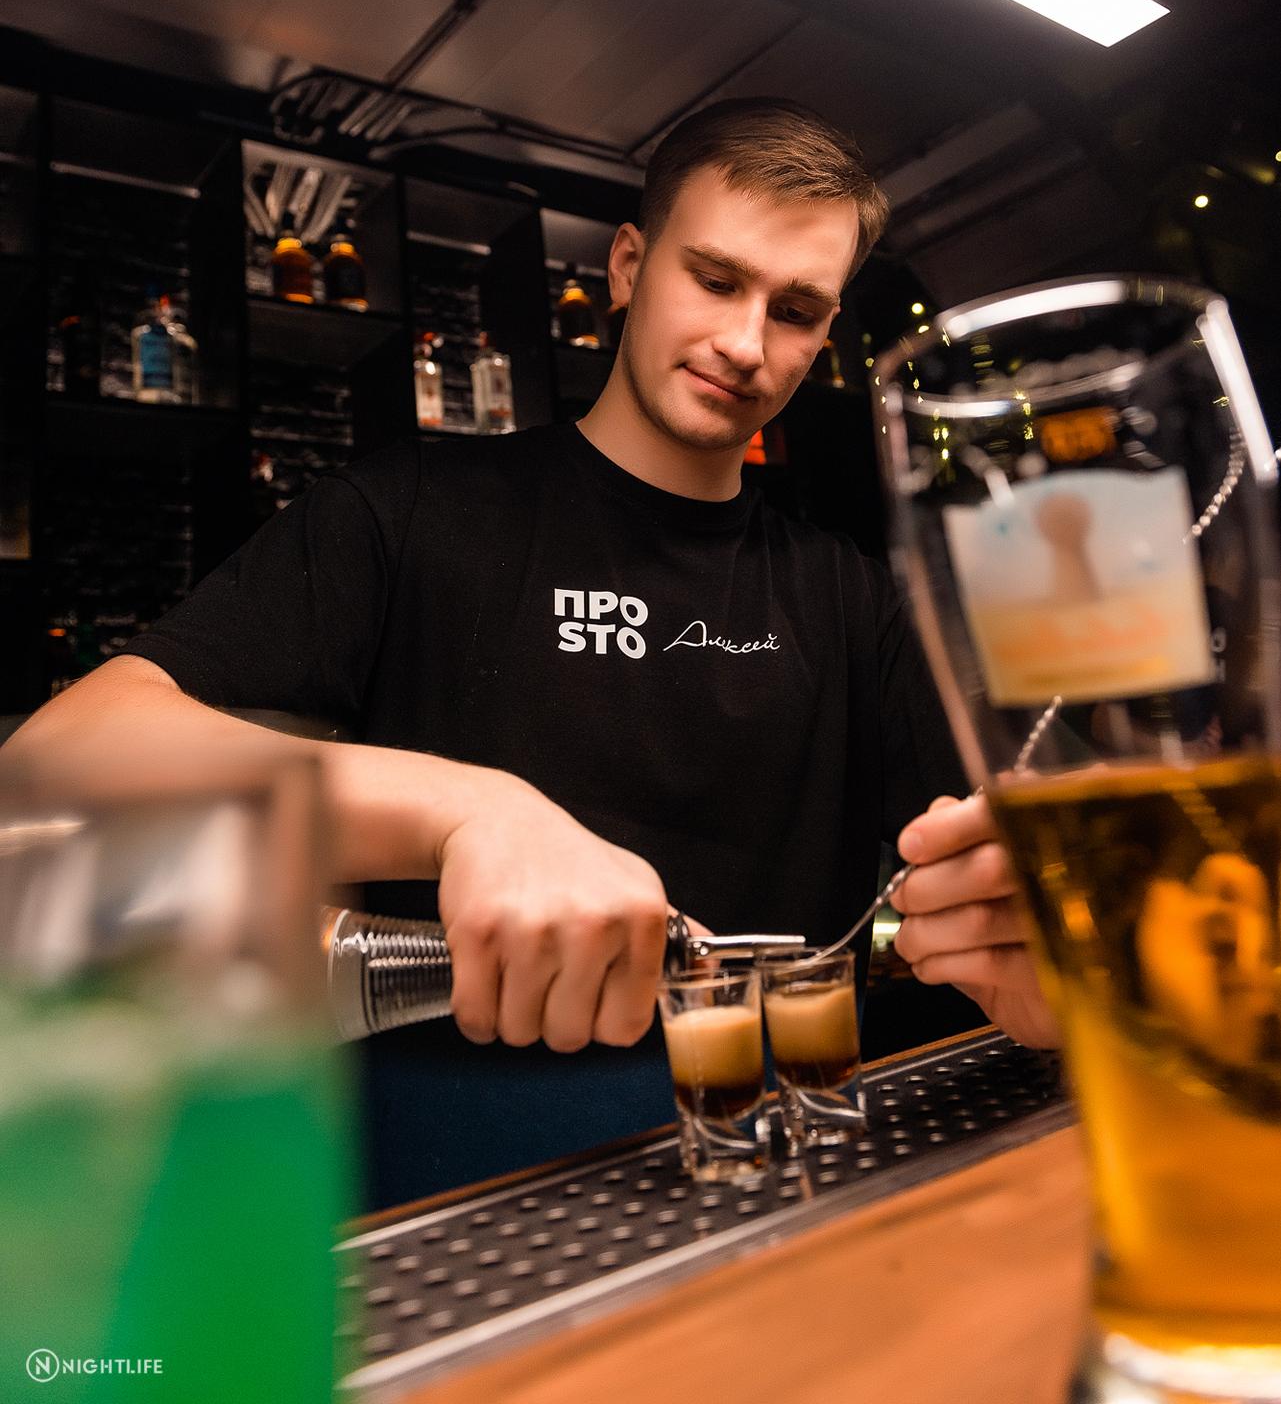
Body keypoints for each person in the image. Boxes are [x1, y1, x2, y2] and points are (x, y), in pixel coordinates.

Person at [6, 98, 1057, 1202]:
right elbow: (55, 766)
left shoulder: (852, 597)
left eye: (794, 311)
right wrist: (472, 811)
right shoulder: (407, 512)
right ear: (628, 266)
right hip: (451, 1206)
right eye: (714, 280)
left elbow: (1003, 864)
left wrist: (1037, 955)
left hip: (785, 1179)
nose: (747, 345)